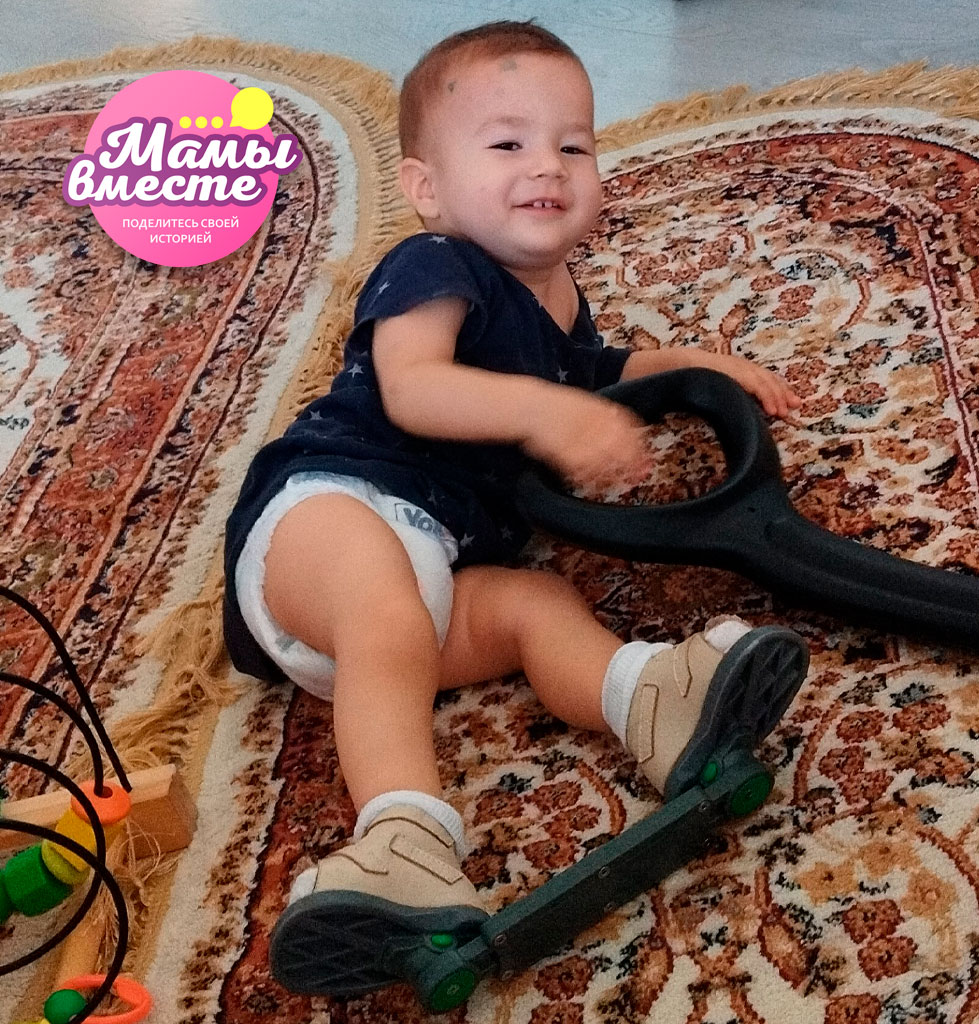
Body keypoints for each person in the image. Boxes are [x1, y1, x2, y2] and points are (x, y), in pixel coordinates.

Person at [223, 18, 808, 974]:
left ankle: (651, 701)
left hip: (442, 572)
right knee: (385, 607)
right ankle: (402, 840)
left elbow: (600, 372)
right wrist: (544, 413)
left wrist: (692, 365)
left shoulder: (560, 296)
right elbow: (414, 386)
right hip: (331, 512)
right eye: (507, 144)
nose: (547, 165)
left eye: (573, 146)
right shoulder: (434, 264)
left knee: (539, 603)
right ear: (427, 188)